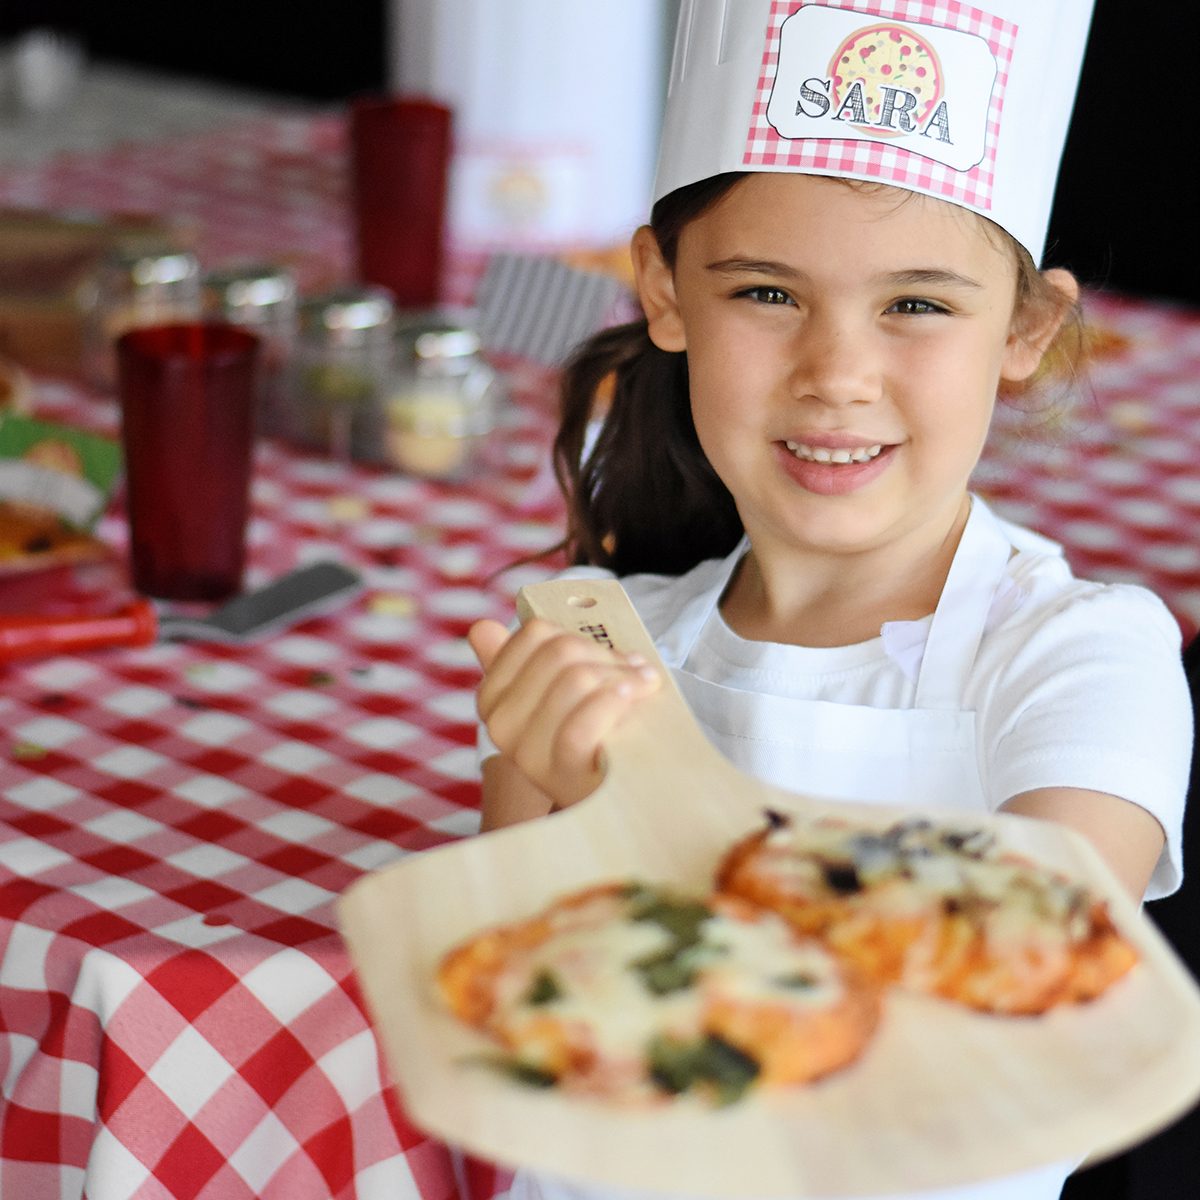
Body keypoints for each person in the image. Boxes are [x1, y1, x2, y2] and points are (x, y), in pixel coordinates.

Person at [465, 2, 1193, 1198]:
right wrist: (554, 799)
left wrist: (627, 809)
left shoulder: (1082, 657)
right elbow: (517, 1046)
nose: (837, 375)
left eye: (917, 304)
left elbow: (1027, 969)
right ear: (664, 292)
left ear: (1025, 327)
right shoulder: (592, 637)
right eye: (766, 293)